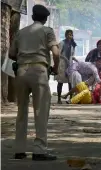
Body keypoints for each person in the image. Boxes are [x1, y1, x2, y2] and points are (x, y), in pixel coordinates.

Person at [9, 4, 59, 161]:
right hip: (39, 71)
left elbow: (11, 54)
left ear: (32, 17)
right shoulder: (47, 31)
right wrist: (55, 68)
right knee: (41, 111)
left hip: (22, 72)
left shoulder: (21, 33)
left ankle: (19, 150)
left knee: (21, 111)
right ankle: (39, 150)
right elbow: (56, 53)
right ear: (45, 19)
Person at [55, 29, 78, 104]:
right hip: (62, 64)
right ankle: (59, 99)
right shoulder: (62, 43)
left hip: (70, 64)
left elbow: (72, 55)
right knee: (60, 82)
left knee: (70, 82)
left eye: (71, 34)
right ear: (65, 35)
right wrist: (65, 58)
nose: (69, 36)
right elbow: (58, 53)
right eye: (68, 34)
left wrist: (75, 60)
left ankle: (71, 98)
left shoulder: (73, 44)